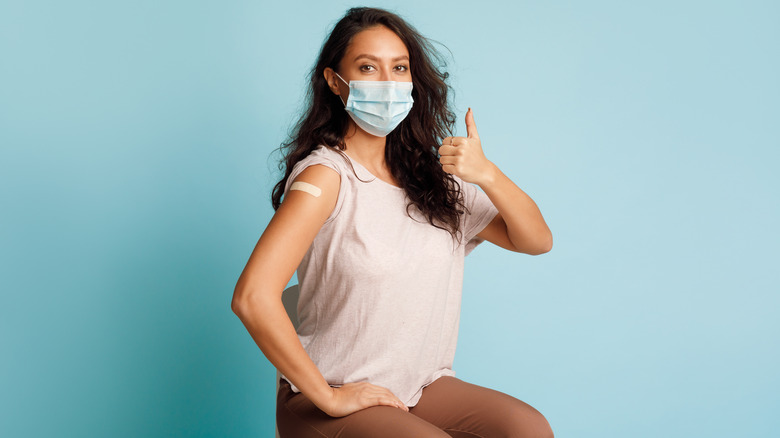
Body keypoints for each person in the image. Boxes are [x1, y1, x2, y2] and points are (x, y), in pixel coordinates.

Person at [232, 7, 554, 438]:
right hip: (330, 395)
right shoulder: (326, 176)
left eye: (399, 68)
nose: (387, 83)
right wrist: (329, 397)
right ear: (334, 81)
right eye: (368, 67)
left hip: (418, 388)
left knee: (529, 430)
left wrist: (488, 175)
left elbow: (536, 240)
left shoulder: (433, 182)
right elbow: (252, 296)